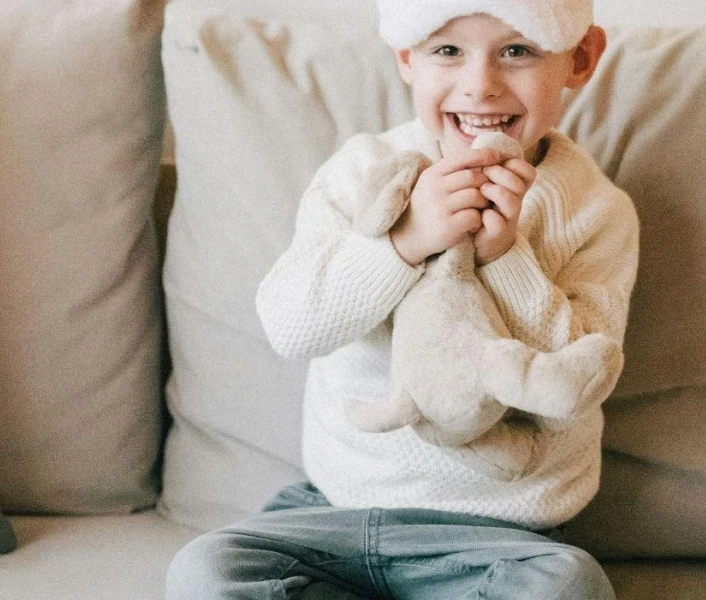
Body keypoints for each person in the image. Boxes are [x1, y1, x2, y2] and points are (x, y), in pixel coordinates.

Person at [166, 0, 639, 598]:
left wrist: (506, 256)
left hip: (501, 535)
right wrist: (405, 240)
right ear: (407, 58)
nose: (481, 86)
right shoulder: (362, 171)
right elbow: (290, 326)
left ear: (580, 58)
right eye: (448, 51)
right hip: (330, 513)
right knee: (205, 571)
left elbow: (578, 380)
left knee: (567, 585)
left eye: (517, 51)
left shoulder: (598, 210)